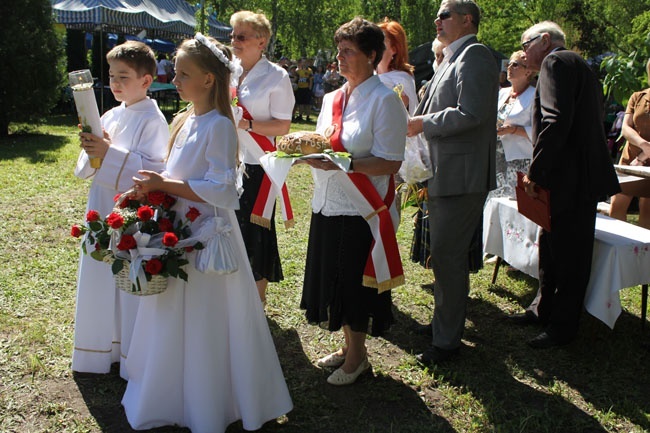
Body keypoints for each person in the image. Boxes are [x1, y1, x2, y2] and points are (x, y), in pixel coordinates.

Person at [122, 34, 292, 432]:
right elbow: (178, 173)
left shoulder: (219, 125)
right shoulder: (184, 120)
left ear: (209, 80)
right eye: (175, 72)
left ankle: (213, 399)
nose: (174, 79)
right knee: (172, 313)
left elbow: (222, 189)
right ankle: (172, 392)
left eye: (183, 74)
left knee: (207, 318)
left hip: (207, 234)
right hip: (180, 229)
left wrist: (165, 185)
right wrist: (156, 187)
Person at [300, 17, 407, 386]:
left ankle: (358, 357)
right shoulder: (332, 97)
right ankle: (348, 348)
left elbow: (391, 161)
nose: (339, 59)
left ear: (372, 55)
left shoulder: (385, 101)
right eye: (339, 51)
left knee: (353, 283)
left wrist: (340, 163)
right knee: (334, 277)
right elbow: (323, 142)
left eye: (348, 52)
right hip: (328, 201)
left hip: (362, 209)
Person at [512, 21, 620, 348]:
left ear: (545, 41)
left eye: (526, 44)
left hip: (568, 178)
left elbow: (556, 120)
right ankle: (543, 309)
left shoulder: (555, 62)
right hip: (576, 176)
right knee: (553, 245)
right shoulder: (580, 65)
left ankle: (562, 326)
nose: (524, 51)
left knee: (570, 255)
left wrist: (537, 171)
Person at [407, 0, 498, 363]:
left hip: (461, 176)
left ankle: (446, 343)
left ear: (467, 20)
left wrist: (423, 123)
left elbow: (472, 113)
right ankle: (443, 325)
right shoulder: (451, 57)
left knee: (448, 257)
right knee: (443, 256)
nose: (437, 20)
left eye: (445, 14)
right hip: (445, 172)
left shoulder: (475, 54)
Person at [72, 41, 168, 380]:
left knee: (124, 278)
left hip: (129, 212)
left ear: (146, 80)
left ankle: (127, 352)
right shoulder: (111, 113)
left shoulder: (153, 120)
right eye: (111, 76)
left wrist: (110, 152)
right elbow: (89, 166)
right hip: (100, 202)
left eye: (123, 77)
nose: (114, 83)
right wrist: (92, 148)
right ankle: (100, 348)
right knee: (99, 274)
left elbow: (152, 173)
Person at [229, 11, 295, 305]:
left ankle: (257, 301)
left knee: (256, 232)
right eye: (232, 35)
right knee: (230, 228)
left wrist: (248, 125)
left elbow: (283, 126)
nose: (234, 41)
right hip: (230, 161)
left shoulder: (276, 76)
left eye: (241, 36)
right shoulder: (228, 70)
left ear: (261, 41)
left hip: (259, 162)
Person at [609, 58, 650, 229]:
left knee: (647, 214)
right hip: (629, 160)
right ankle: (622, 251)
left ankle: (642, 254)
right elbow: (625, 128)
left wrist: (643, 156)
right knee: (616, 208)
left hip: (645, 163)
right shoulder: (637, 96)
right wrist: (643, 145)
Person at [491, 50, 535, 198]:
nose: (509, 68)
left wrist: (513, 130)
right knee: (493, 202)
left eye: (515, 65)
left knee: (514, 204)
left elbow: (539, 131)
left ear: (528, 71)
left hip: (519, 161)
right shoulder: (502, 93)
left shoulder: (535, 96)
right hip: (496, 159)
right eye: (508, 64)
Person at [377, 18, 417, 116]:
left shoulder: (401, 79)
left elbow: (393, 114)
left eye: (381, 42)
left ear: (394, 49)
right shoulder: (365, 77)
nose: (374, 45)